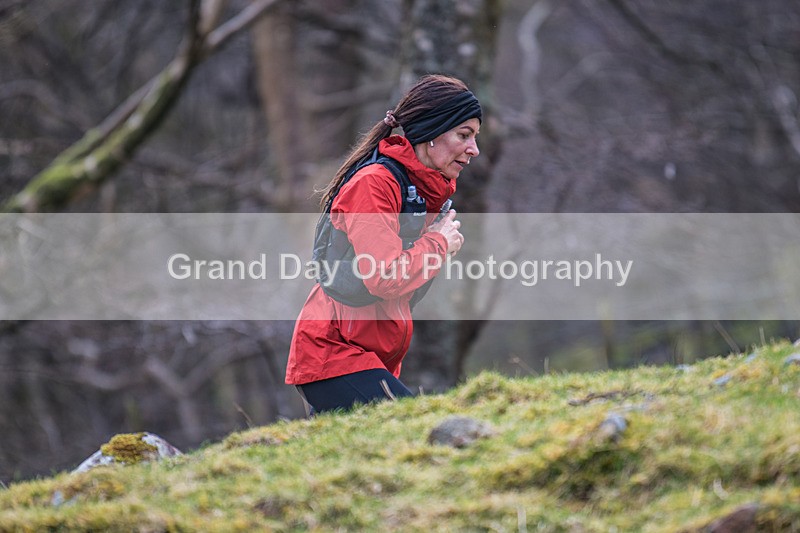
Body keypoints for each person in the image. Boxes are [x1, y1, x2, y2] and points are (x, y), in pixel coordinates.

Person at [285, 74, 481, 414]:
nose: (474, 149)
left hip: (369, 358)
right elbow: (385, 276)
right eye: (464, 135)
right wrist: (438, 243)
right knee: (417, 429)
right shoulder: (375, 184)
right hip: (333, 356)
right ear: (431, 132)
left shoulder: (418, 191)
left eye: (475, 137)